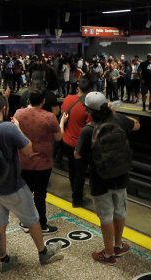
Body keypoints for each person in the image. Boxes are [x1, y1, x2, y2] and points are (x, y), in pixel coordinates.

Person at [0, 95, 62, 272]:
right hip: (12, 185)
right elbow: (28, 149)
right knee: (33, 219)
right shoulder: (8, 127)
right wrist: (19, 129)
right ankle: (43, 252)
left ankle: (4, 259)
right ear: (4, 109)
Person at [74, 92, 140, 265]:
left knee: (106, 216)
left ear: (89, 111)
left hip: (100, 179)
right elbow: (137, 125)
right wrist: (115, 113)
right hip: (121, 175)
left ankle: (109, 254)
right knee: (119, 211)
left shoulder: (88, 130)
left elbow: (77, 155)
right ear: (106, 105)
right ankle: (118, 245)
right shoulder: (118, 120)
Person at [14, 88, 63, 235]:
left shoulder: (18, 113)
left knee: (26, 192)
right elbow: (58, 138)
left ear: (29, 99)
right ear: (43, 101)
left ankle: (25, 222)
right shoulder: (49, 117)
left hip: (23, 160)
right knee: (40, 194)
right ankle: (42, 224)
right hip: (43, 162)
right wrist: (63, 122)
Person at [60, 74, 93, 207]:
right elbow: (89, 127)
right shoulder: (88, 106)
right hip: (80, 145)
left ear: (78, 87)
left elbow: (64, 114)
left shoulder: (68, 99)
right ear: (90, 90)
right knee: (80, 172)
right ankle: (77, 199)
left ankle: (74, 189)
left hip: (66, 141)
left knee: (72, 169)